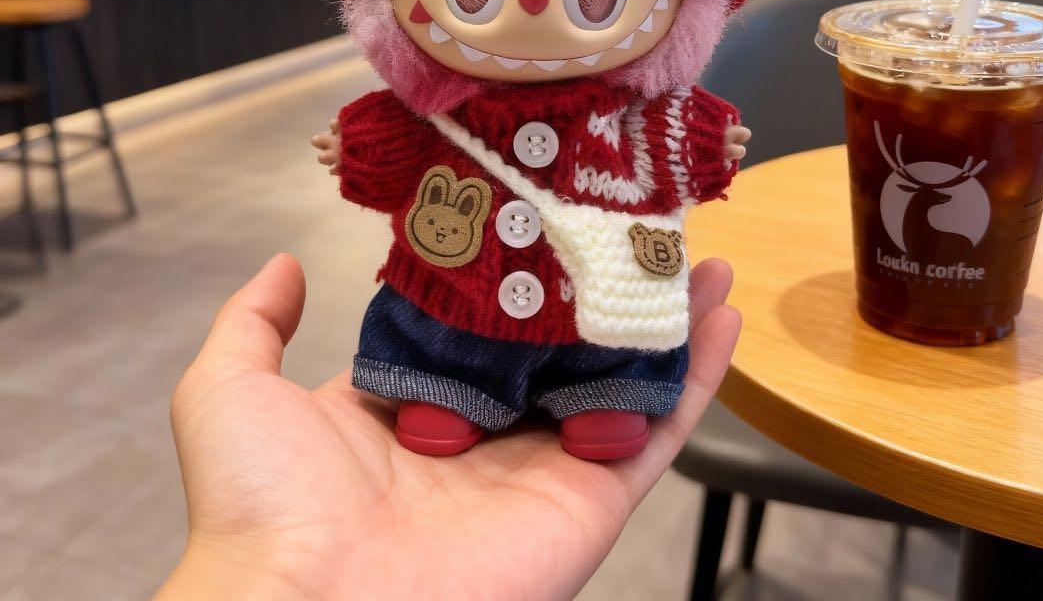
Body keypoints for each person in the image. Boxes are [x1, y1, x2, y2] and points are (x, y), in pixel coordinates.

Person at [159, 252, 739, 597]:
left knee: (615, 315)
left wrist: (707, 141)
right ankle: (446, 384)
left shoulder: (634, 118)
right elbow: (391, 144)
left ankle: (605, 388)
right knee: (449, 300)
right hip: (468, 287)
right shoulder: (444, 114)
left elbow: (675, 138)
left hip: (599, 294)